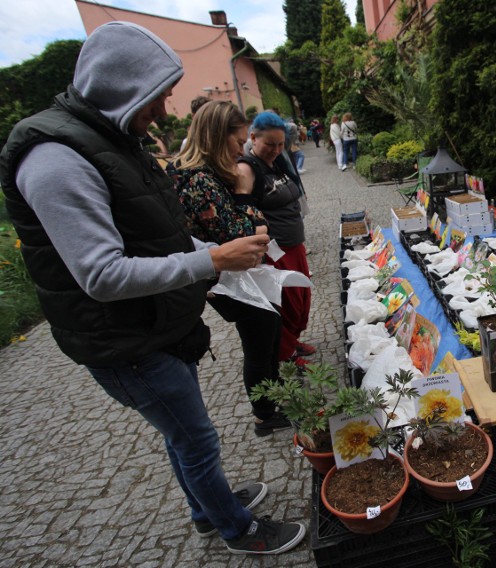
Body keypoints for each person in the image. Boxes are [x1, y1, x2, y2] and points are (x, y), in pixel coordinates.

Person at [0, 22, 305, 556]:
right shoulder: (56, 159)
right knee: (196, 439)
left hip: (155, 328)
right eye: (157, 96)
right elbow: (100, 275)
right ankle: (237, 528)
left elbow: (156, 231)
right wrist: (211, 257)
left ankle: (206, 508)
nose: (164, 112)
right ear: (119, 86)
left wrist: (213, 253)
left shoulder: (112, 142)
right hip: (126, 340)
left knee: (183, 436)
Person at [170, 100, 290, 438]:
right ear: (216, 136)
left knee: (269, 330)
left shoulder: (200, 173)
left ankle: (276, 400)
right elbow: (244, 234)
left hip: (236, 275)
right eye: (238, 142)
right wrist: (243, 196)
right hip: (230, 279)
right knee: (259, 339)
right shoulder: (198, 179)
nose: (242, 149)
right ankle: (264, 415)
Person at [238, 112, 315, 369]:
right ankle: (286, 352)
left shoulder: (278, 162)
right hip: (275, 251)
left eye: (280, 144)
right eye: (269, 144)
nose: (275, 149)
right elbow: (243, 210)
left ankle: (292, 341)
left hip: (295, 245)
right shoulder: (247, 168)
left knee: (302, 299)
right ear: (253, 138)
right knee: (287, 303)